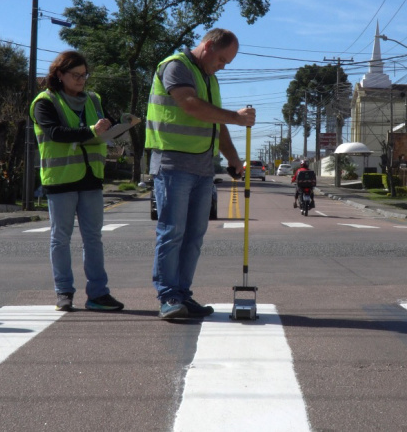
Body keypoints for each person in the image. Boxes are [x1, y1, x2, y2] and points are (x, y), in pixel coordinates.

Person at [145, 28, 255, 319]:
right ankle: (168, 297)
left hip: (203, 168)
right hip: (173, 164)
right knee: (172, 233)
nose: (223, 65)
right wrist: (236, 116)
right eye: (221, 59)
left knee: (194, 236)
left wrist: (233, 159)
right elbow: (190, 105)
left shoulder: (210, 79)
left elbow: (216, 124)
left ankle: (182, 293)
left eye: (226, 62)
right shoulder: (176, 66)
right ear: (206, 47)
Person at [30, 50, 124, 313]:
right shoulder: (45, 101)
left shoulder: (94, 99)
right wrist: (93, 131)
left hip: (91, 177)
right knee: (60, 238)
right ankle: (64, 292)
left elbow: (102, 128)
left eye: (84, 75)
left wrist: (116, 126)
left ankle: (98, 294)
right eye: (75, 75)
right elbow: (56, 133)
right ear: (59, 75)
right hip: (60, 180)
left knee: (93, 238)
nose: (81, 80)